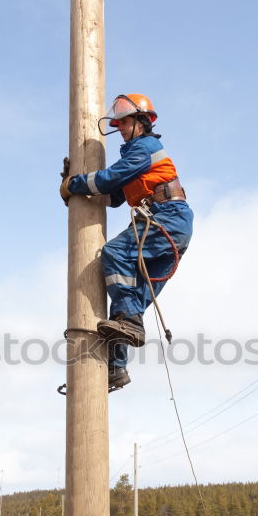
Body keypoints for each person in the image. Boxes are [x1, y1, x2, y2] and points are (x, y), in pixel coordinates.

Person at [60, 93, 193, 391]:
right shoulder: (135, 157)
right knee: (127, 305)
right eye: (117, 124)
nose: (120, 128)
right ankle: (116, 369)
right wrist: (78, 193)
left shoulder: (145, 147)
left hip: (167, 217)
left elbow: (108, 179)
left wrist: (75, 184)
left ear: (142, 122)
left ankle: (127, 331)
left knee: (116, 253)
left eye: (125, 122)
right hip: (172, 224)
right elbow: (114, 196)